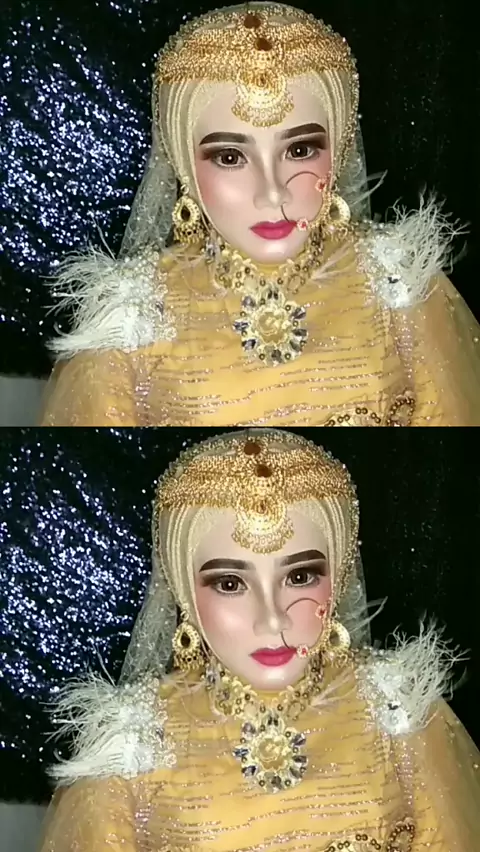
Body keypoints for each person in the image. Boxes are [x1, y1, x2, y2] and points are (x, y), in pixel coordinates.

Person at [38, 3, 480, 427]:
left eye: (300, 150)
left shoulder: (397, 285)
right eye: (230, 157)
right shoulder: (134, 315)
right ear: (185, 166)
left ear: (340, 144)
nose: (272, 194)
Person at [39, 429, 480, 850]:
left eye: (300, 577)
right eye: (230, 584)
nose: (272, 621)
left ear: (340, 571)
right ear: (185, 594)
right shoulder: (134, 741)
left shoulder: (397, 713)